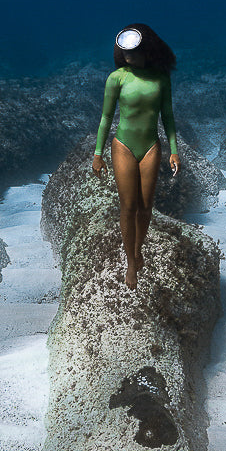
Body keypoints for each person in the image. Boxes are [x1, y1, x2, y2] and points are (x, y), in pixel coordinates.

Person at [92, 24, 180, 288]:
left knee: (145, 206)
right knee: (128, 206)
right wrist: (98, 154)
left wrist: (174, 151)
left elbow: (168, 117)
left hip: (151, 146)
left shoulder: (161, 78)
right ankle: (132, 261)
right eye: (123, 49)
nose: (127, 53)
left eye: (133, 49)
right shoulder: (116, 78)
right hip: (123, 146)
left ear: (147, 48)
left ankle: (137, 250)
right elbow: (106, 117)